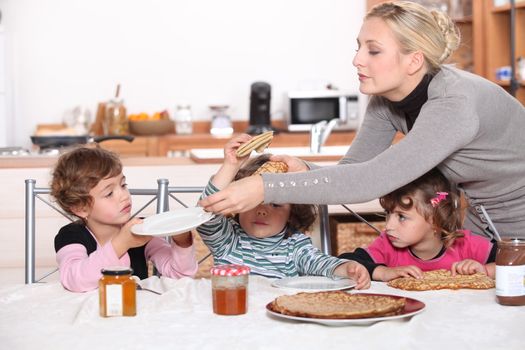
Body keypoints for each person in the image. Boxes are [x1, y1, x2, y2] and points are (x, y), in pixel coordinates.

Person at [199, 1, 525, 240]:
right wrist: (305, 168)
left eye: (373, 51)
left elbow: (374, 179)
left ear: (413, 60)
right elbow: (355, 169)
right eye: (358, 47)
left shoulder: (455, 102)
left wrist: (264, 187)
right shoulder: (385, 100)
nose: (356, 60)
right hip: (479, 221)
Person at [196, 135, 371, 289]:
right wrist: (230, 165)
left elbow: (320, 264)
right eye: (255, 202)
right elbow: (205, 215)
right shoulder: (228, 240)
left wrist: (346, 268)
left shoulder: (295, 247)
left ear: (292, 212)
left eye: (276, 205)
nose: (263, 211)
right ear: (238, 204)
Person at [51, 146, 198, 292]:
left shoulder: (139, 229)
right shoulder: (71, 235)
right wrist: (121, 243)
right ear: (80, 208)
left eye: (123, 185)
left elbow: (180, 276)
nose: (124, 195)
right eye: (109, 193)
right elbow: (74, 280)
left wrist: (182, 240)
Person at [339, 168, 495, 282]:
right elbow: (345, 262)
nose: (388, 226)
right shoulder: (386, 244)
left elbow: (516, 263)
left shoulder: (465, 245)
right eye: (388, 213)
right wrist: (383, 272)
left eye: (401, 217)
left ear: (434, 218)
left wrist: (485, 271)